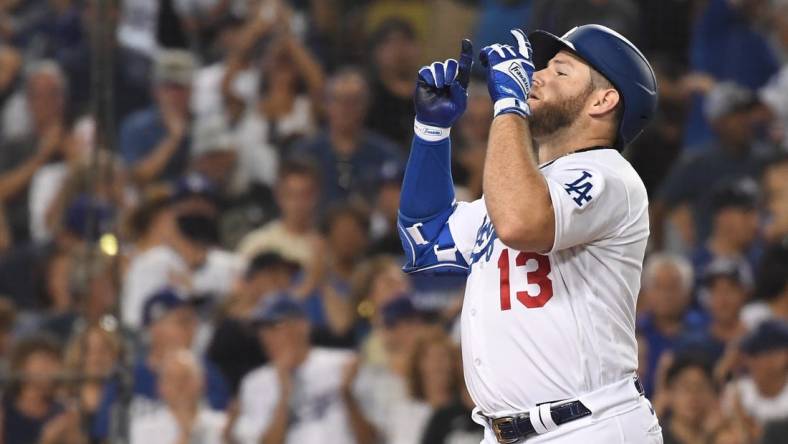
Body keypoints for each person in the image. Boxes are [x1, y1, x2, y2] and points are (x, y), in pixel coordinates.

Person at [398, 24, 662, 442]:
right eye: (541, 67)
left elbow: (522, 223)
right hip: (505, 432)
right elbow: (426, 242)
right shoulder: (518, 190)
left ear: (603, 100)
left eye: (560, 71)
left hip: (590, 427)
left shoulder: (609, 176)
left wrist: (508, 105)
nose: (535, 76)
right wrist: (431, 133)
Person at [231, 293, 371, 444]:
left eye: (274, 326)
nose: (266, 336)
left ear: (302, 326)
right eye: (261, 329)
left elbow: (371, 439)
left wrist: (347, 395)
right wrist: (284, 396)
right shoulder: (254, 383)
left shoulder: (344, 363)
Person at [130, 349, 227, 444]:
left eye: (185, 378)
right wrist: (186, 434)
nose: (179, 386)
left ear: (202, 382)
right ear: (160, 387)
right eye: (172, 379)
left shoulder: (222, 425)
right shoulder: (144, 429)